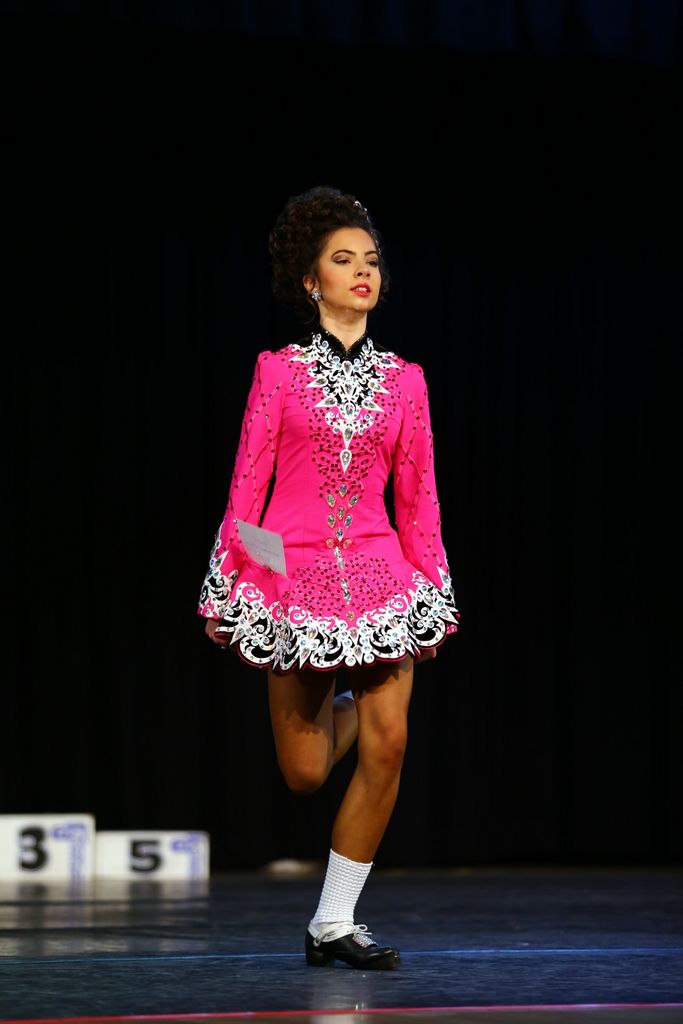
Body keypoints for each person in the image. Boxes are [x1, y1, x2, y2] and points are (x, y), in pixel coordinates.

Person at [197, 186, 460, 970]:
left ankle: (333, 922)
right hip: (294, 574)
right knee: (305, 773)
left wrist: (433, 593)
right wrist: (233, 581)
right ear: (311, 280)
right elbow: (248, 489)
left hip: (382, 571)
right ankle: (343, 699)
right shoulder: (276, 371)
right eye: (344, 260)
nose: (363, 272)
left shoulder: (406, 380)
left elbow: (418, 497)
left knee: (391, 743)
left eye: (370, 260)